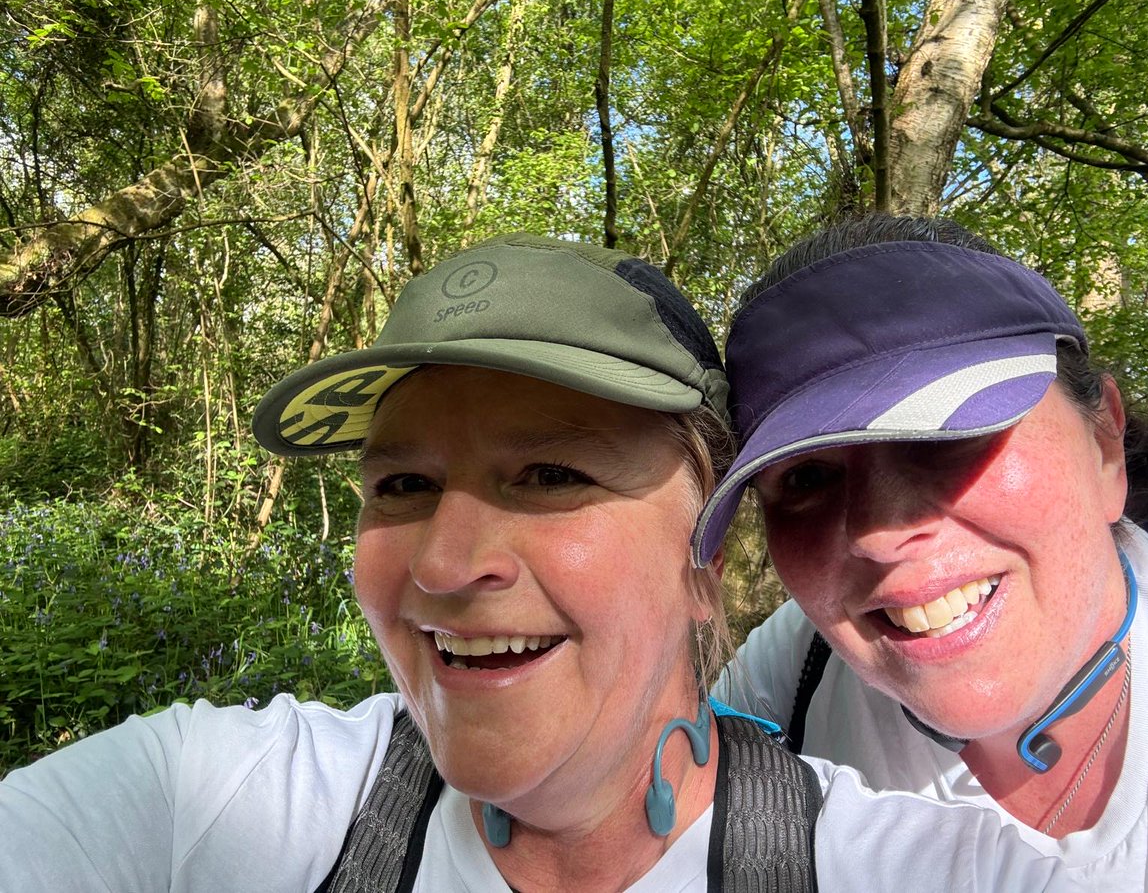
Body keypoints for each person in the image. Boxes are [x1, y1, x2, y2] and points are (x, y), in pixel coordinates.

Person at [0, 233, 1073, 892]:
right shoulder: (219, 807)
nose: (449, 562)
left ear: (709, 553)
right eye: (403, 485)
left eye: (551, 476)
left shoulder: (940, 872)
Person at [697, 214, 1148, 890]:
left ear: (1106, 445)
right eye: (807, 477)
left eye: (948, 434)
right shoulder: (792, 676)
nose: (878, 530)